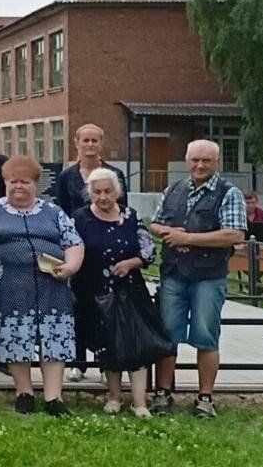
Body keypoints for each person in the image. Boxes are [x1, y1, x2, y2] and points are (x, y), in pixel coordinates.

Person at [0, 155, 84, 416]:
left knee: (54, 338)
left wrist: (70, 267)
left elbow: (74, 243)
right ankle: (24, 393)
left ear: (36, 183)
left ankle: (53, 397)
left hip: (52, 287)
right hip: (7, 287)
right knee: (15, 338)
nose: (18, 187)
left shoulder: (53, 212)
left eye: (24, 182)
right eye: (12, 181)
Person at [149, 140, 246, 419]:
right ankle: (163, 394)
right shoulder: (173, 189)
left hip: (208, 277)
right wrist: (169, 233)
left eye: (206, 161)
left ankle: (205, 398)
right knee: (167, 336)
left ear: (217, 162)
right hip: (173, 274)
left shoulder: (229, 193)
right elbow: (154, 223)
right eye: (195, 160)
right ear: (187, 160)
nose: (199, 166)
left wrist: (188, 238)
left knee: (206, 337)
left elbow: (235, 235)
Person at [71, 168, 156, 418]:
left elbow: (149, 249)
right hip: (94, 290)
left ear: (117, 192)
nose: (103, 196)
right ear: (90, 194)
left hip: (130, 289)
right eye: (97, 192)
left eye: (108, 191)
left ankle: (140, 402)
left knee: (136, 343)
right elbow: (71, 248)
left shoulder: (130, 216)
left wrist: (132, 262)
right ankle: (114, 396)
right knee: (108, 344)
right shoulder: (80, 218)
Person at [56, 123, 128, 382]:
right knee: (77, 306)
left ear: (101, 143)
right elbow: (61, 213)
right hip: (78, 249)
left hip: (106, 251)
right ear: (76, 142)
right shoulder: (67, 176)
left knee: (106, 308)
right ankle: (77, 361)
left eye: (94, 141)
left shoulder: (114, 173)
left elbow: (124, 212)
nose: (89, 145)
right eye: (84, 140)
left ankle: (104, 359)